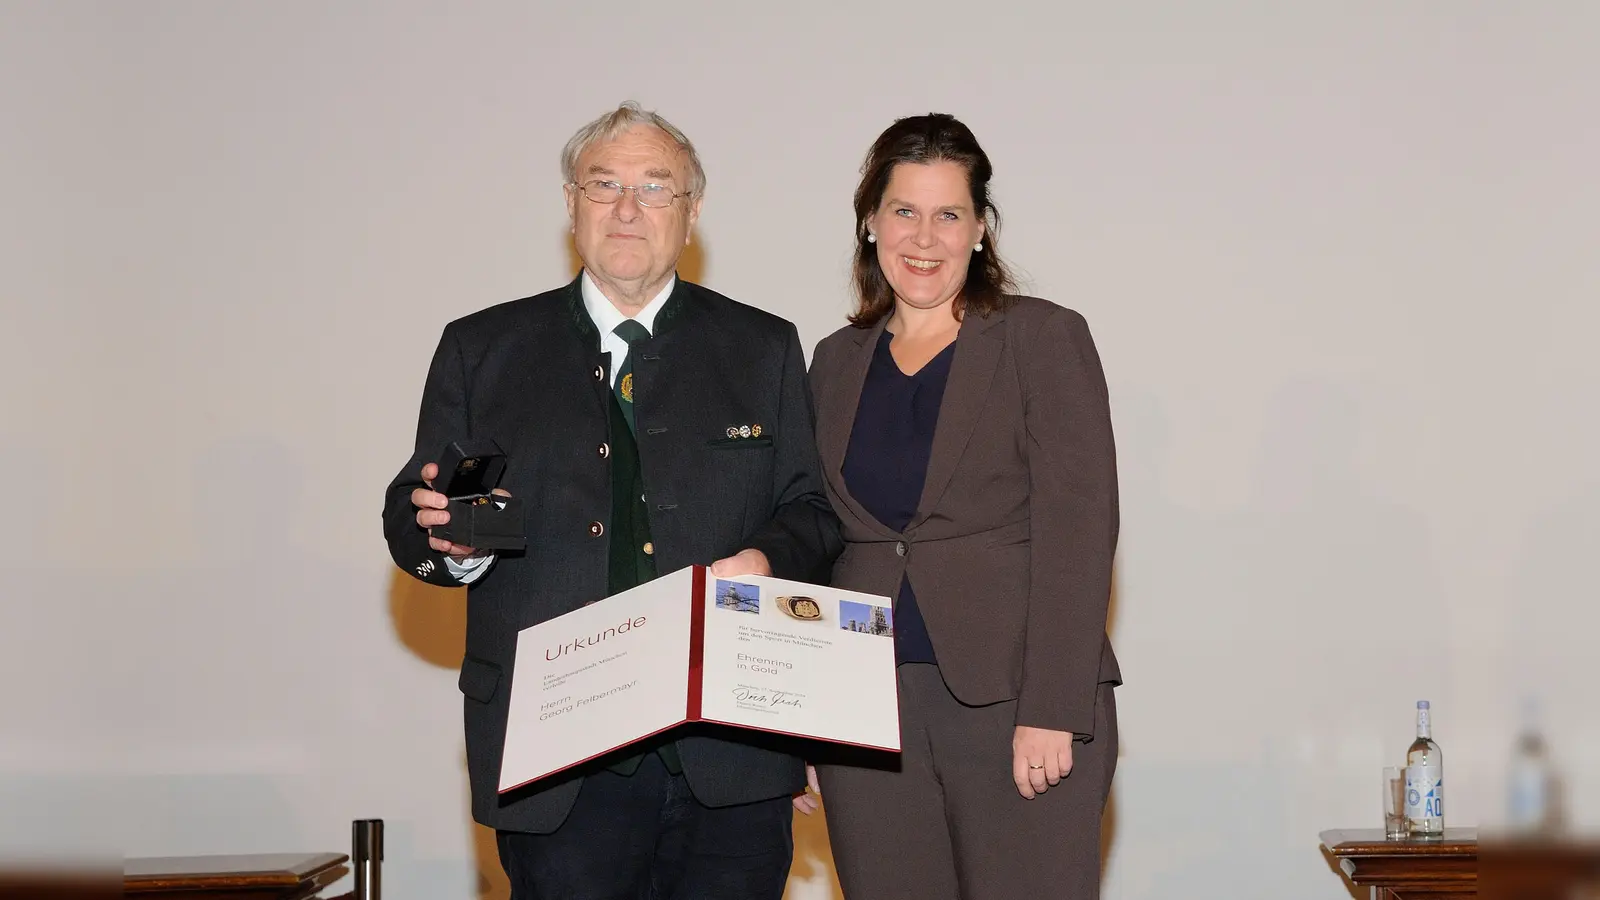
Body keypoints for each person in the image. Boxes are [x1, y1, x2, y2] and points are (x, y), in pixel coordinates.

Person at [382, 101, 841, 900]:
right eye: (605, 186)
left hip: (729, 761)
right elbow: (418, 507)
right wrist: (449, 546)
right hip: (554, 759)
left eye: (655, 189)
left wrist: (763, 558)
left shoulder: (763, 346)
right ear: (571, 205)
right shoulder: (483, 348)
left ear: (691, 214)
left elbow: (813, 512)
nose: (627, 210)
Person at [799, 113, 1122, 899]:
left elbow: (1080, 531)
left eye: (949, 214)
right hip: (866, 717)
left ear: (980, 230)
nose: (925, 236)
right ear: (870, 222)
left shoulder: (1041, 338)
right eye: (904, 210)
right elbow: (814, 538)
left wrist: (1054, 708)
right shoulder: (833, 362)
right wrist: (798, 717)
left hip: (1016, 703)